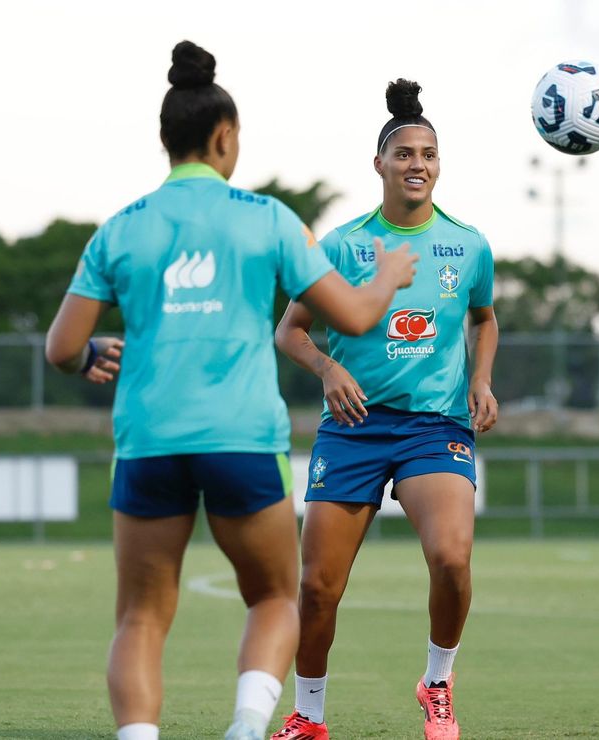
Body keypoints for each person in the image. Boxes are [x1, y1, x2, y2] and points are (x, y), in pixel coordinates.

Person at [44, 41, 417, 740]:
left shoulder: (120, 228)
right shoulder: (268, 218)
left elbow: (61, 349)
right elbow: (358, 317)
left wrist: (91, 353)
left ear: (166, 141)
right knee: (275, 595)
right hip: (243, 439)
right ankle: (246, 728)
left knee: (141, 617)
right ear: (223, 137)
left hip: (149, 441)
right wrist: (389, 276)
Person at [271, 79, 498, 740]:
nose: (417, 163)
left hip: (434, 428)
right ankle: (309, 719)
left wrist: (481, 378)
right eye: (404, 154)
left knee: (452, 559)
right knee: (317, 588)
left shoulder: (468, 244)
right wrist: (328, 365)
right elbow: (291, 330)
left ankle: (437, 681)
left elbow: (485, 319)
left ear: (439, 164)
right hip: (354, 430)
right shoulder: (342, 246)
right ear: (380, 164)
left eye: (428, 153)